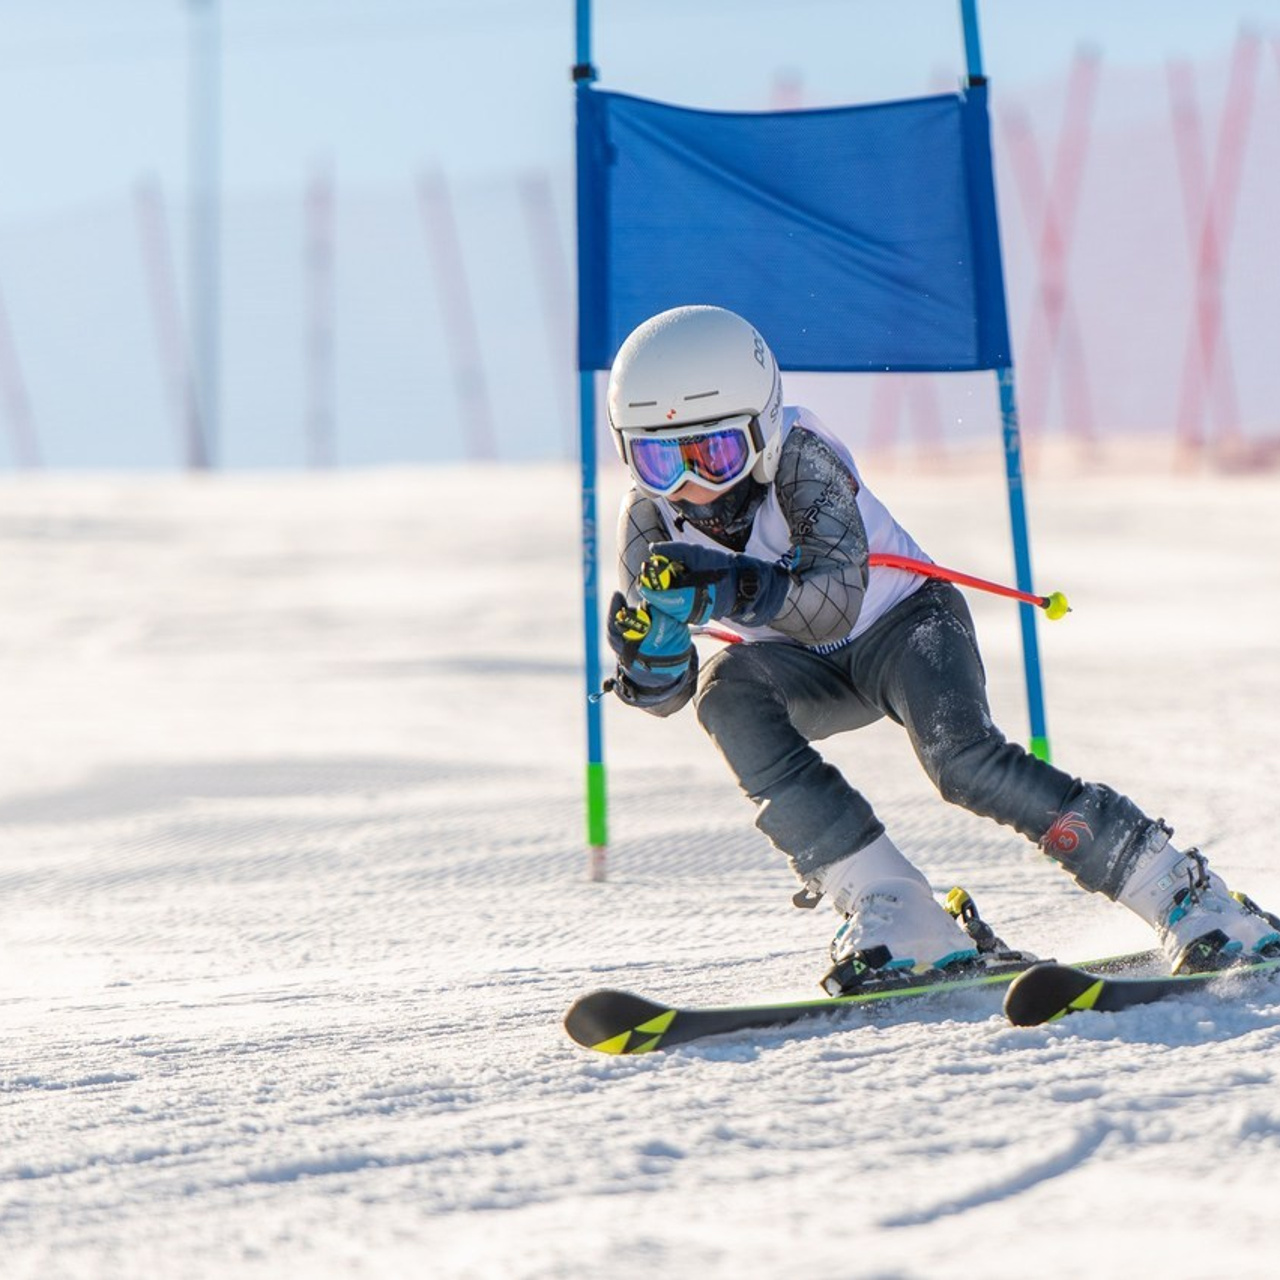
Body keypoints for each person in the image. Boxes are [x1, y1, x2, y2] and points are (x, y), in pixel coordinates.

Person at [602, 303, 1279, 993]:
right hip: (806, 670)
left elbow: (835, 598)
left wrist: (736, 586)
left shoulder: (803, 459)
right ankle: (894, 905)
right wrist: (652, 658)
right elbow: (670, 693)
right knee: (725, 697)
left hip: (904, 625)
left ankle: (1185, 895)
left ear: (765, 429)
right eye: (659, 461)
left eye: (716, 454)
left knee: (963, 762)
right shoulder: (648, 523)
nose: (692, 486)